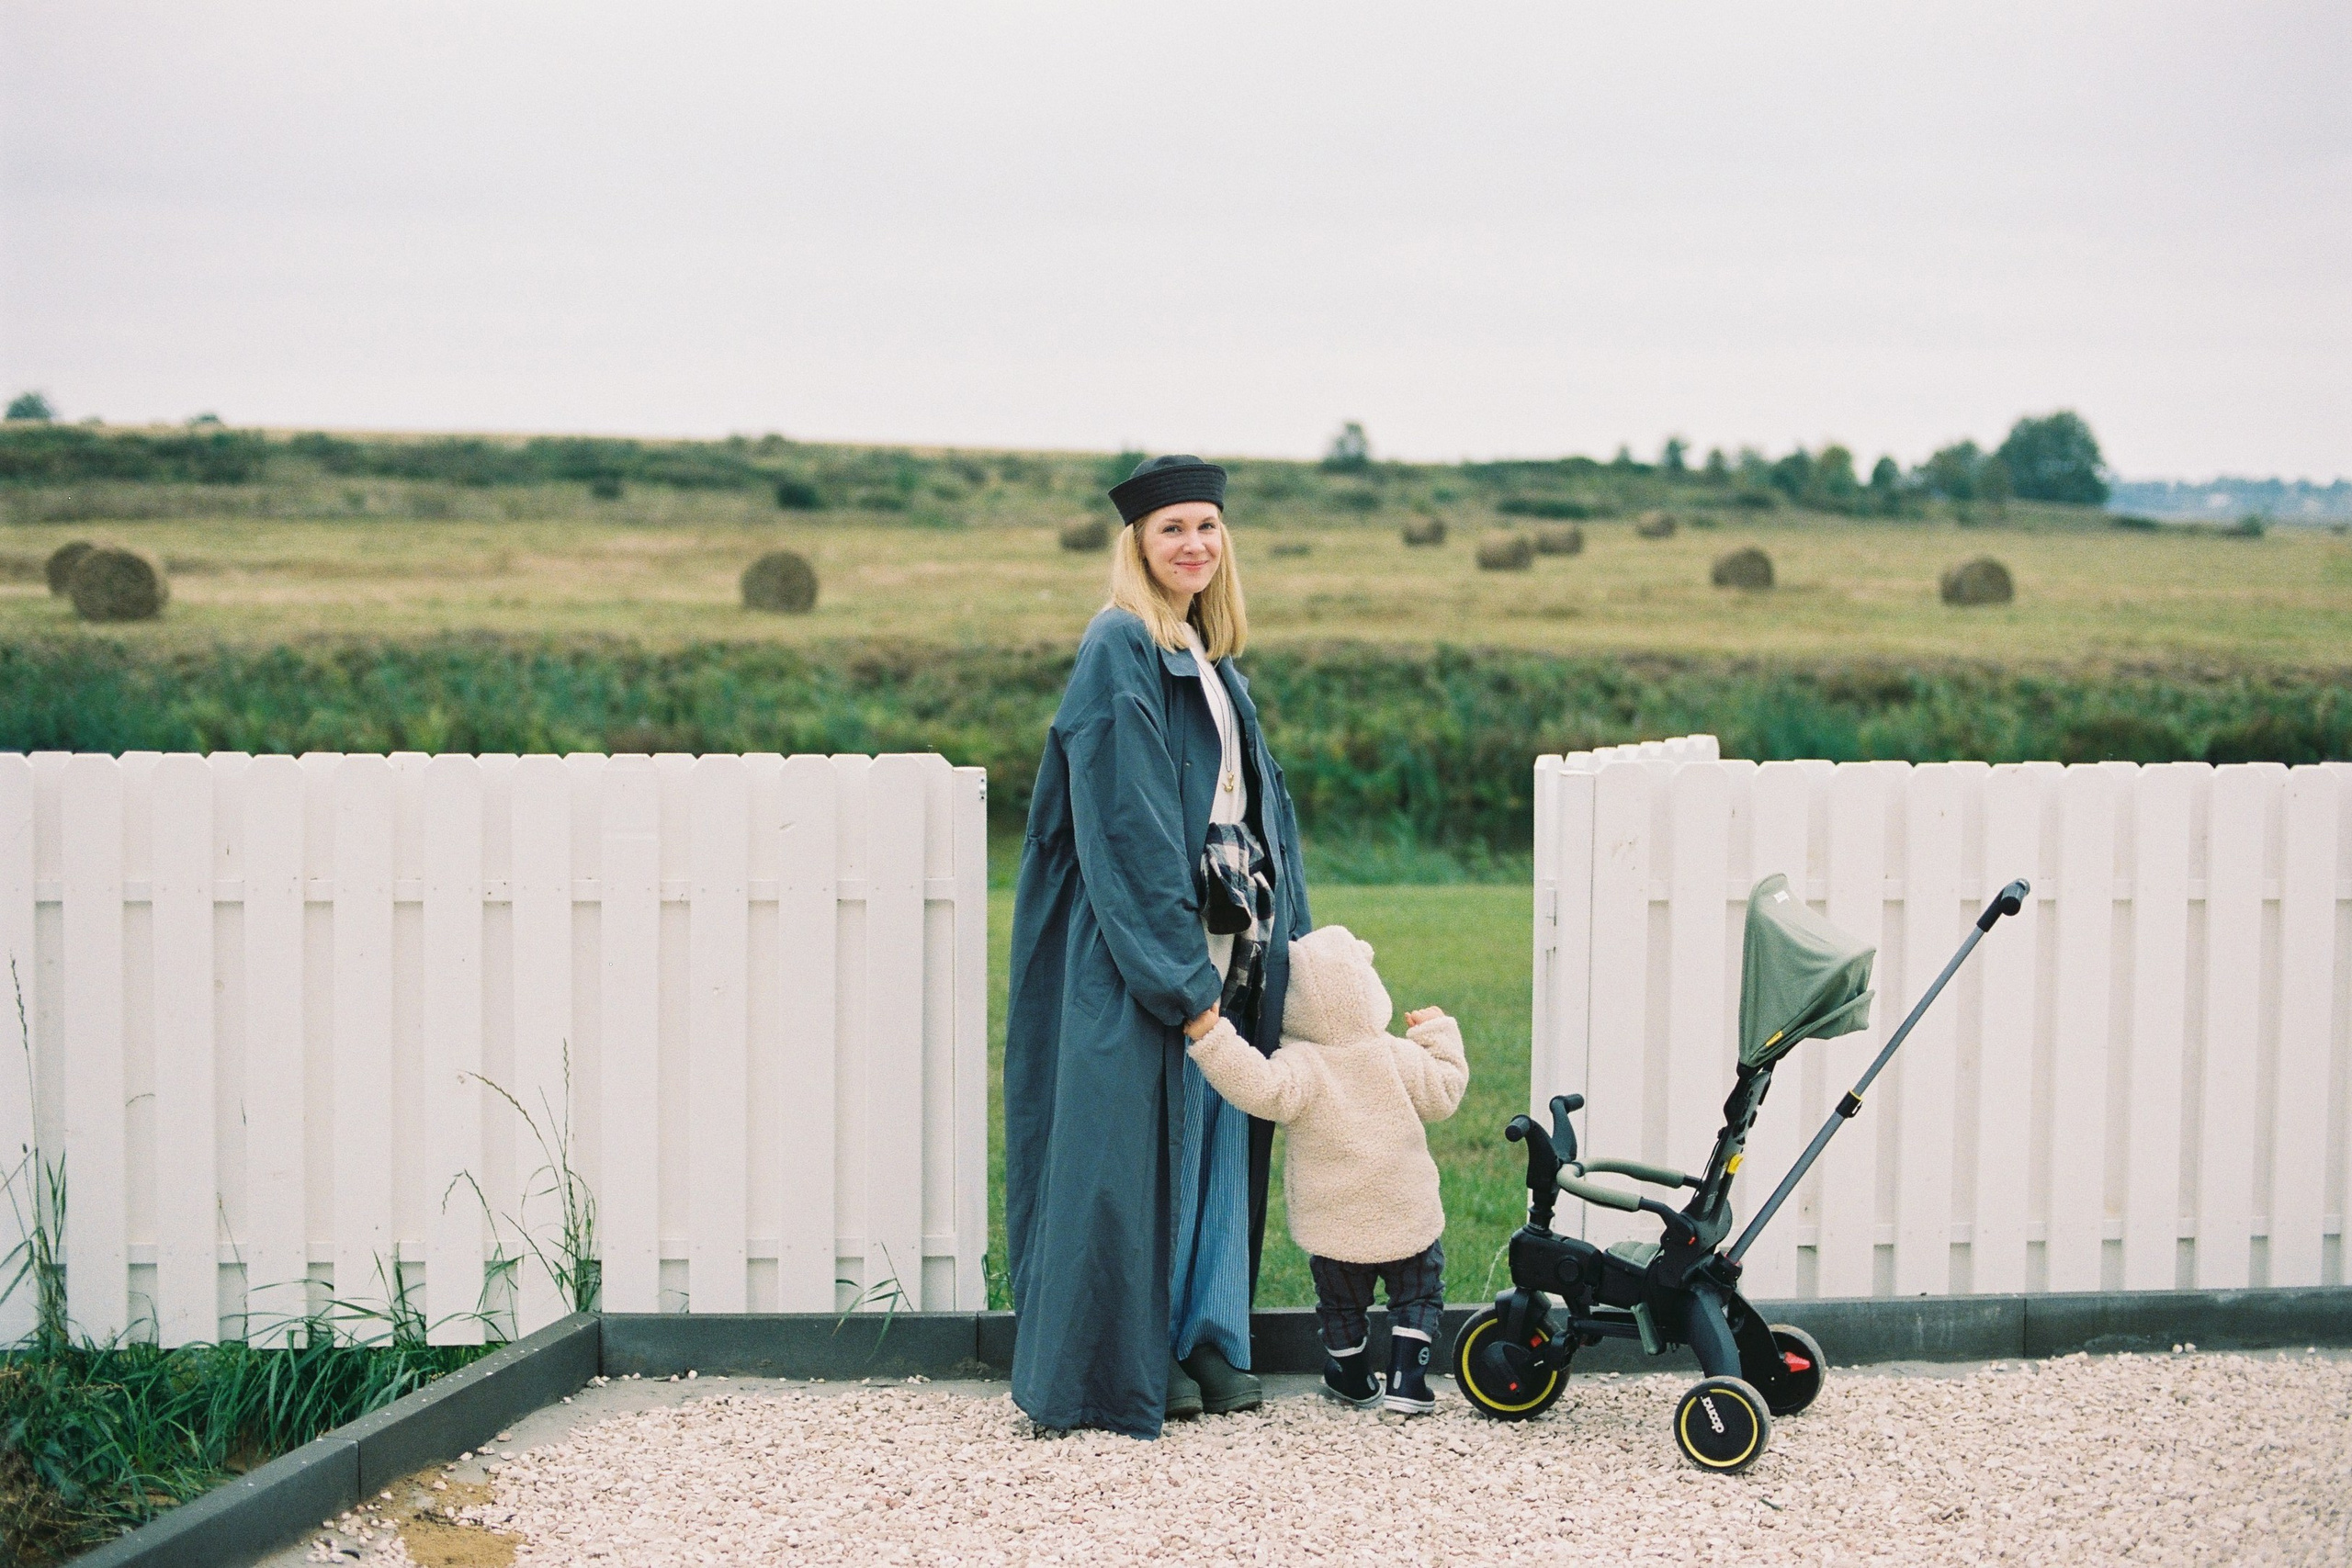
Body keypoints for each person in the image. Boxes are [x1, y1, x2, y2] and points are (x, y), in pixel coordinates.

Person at [1003, 454, 1313, 1438]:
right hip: (1142, 943)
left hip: (1228, 933)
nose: (1194, 545)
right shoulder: (1120, 646)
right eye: (1173, 528)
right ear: (1136, 542)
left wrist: (1289, 948)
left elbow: (1261, 811)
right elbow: (1127, 824)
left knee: (1220, 1131)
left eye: (1208, 528)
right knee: (1130, 1144)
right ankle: (1132, 1355)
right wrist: (1178, 976)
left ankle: (1206, 1337)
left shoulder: (1208, 657)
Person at [1185, 924, 1467, 1415]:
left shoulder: (1300, 1064)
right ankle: (1408, 1378)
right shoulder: (1394, 1053)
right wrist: (1436, 1031)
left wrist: (1214, 1039)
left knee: (1340, 1302)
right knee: (1418, 1290)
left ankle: (1352, 1378)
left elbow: (1257, 1087)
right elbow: (1444, 1092)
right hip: (1405, 1206)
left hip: (1336, 1216)